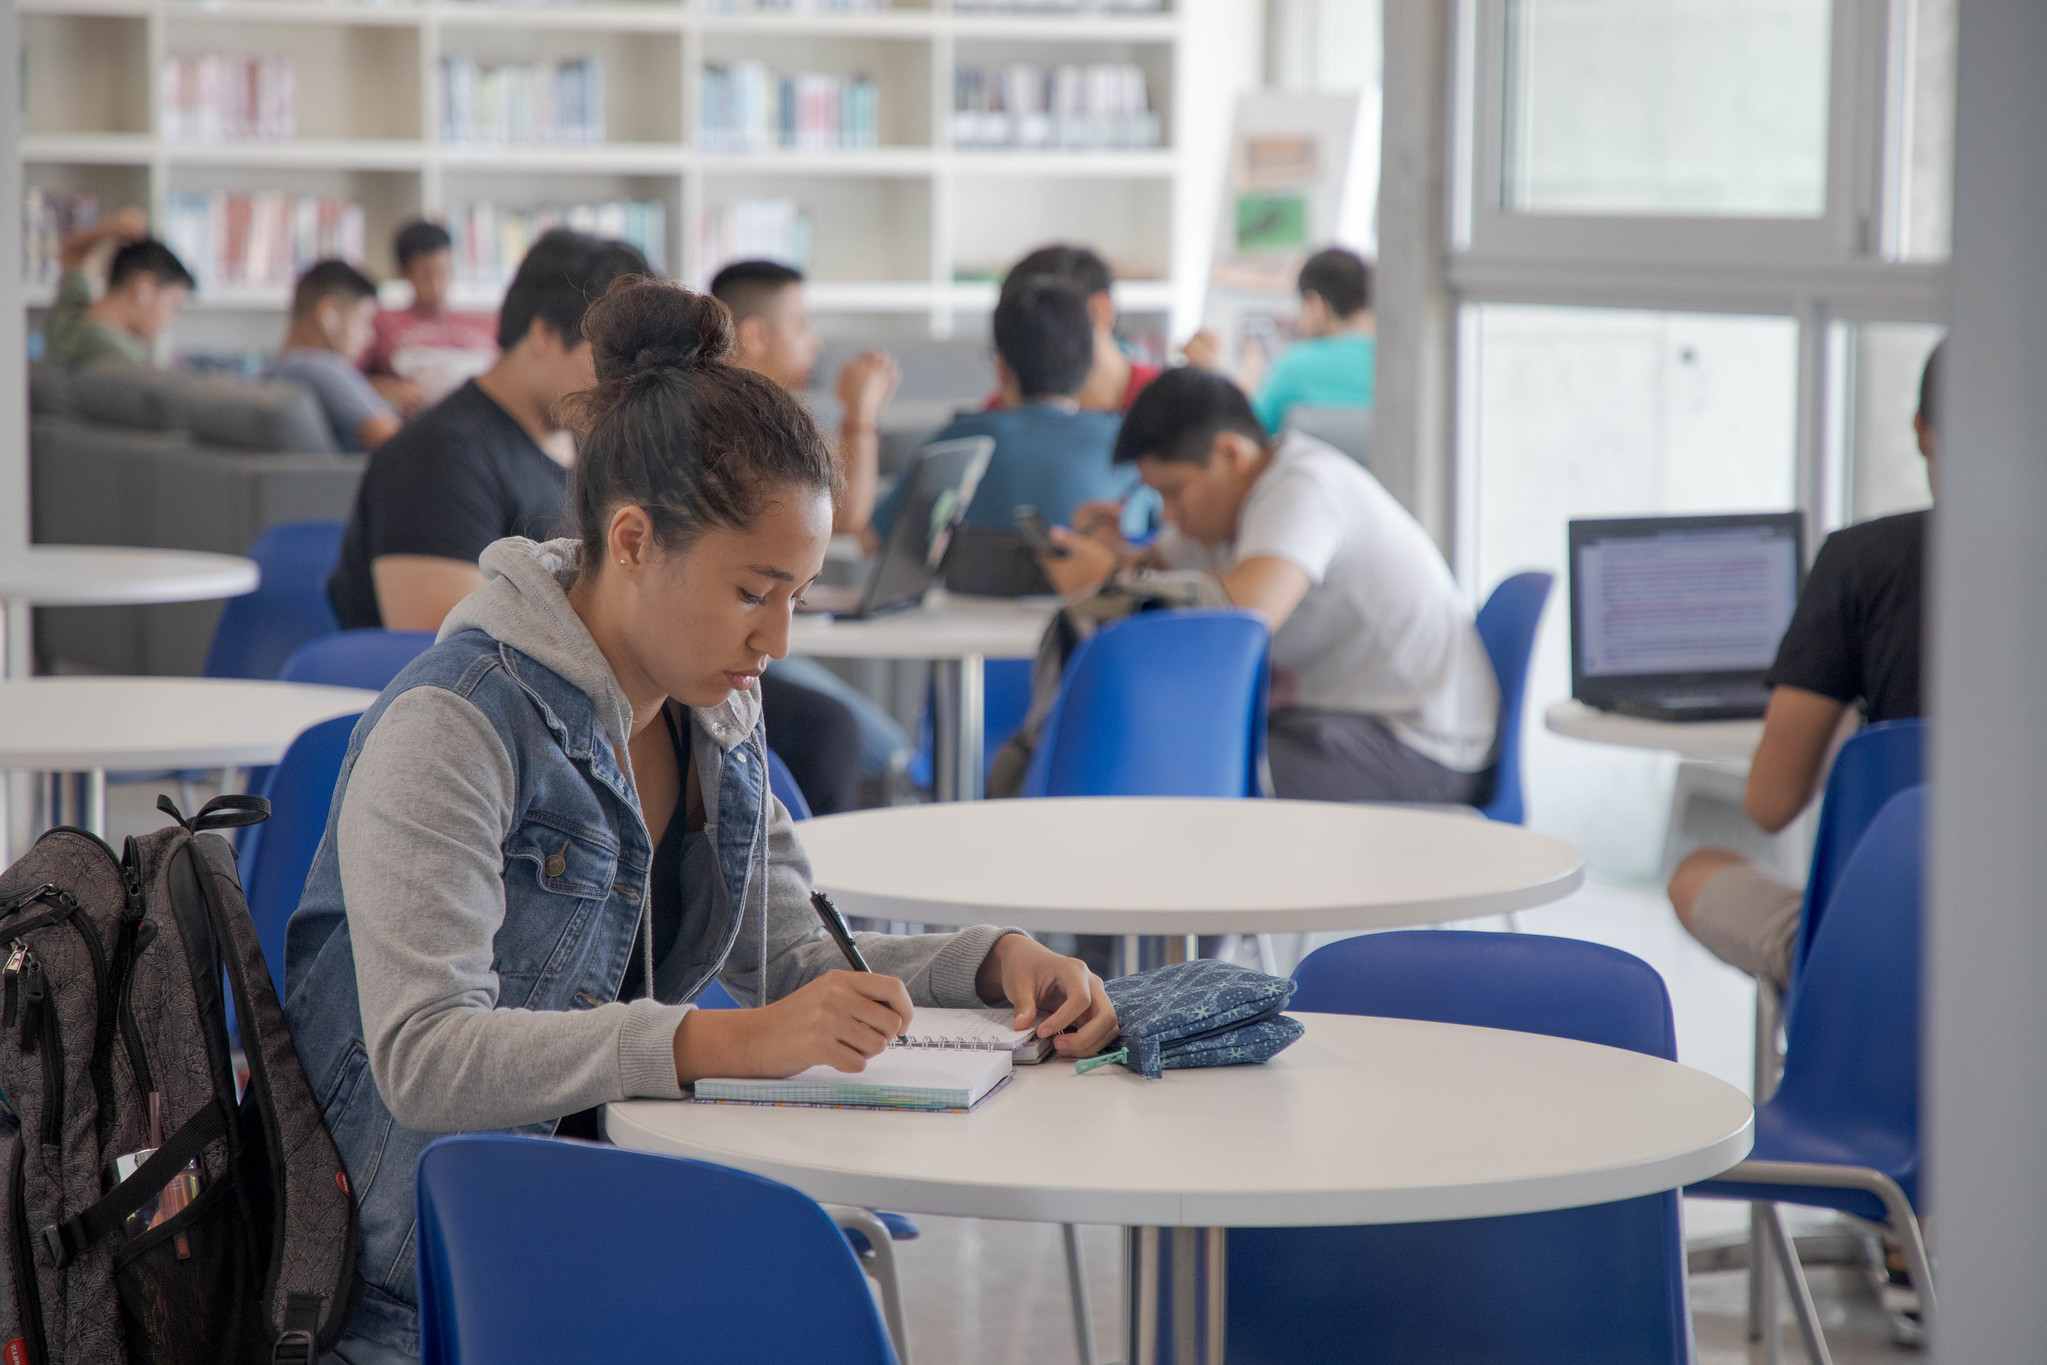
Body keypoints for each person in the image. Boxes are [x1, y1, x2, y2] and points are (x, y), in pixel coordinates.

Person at [284, 274, 1118, 1364]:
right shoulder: (455, 723)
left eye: (798, 599)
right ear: (631, 540)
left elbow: (792, 954)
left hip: (606, 1200)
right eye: (752, 592)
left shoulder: (714, 706)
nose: (777, 639)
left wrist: (991, 960)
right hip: (420, 1283)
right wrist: (720, 1040)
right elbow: (427, 1058)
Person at [1039, 365, 1499, 804]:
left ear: (1231, 454)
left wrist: (1111, 582)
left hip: (1420, 743)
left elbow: (1244, 617)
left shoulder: (1303, 487)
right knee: (1163, 758)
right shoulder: (1227, 509)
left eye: (1175, 491)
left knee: (1179, 778)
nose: (1169, 514)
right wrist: (1108, 552)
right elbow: (1160, 566)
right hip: (1331, 724)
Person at [1667, 342, 1941, 994]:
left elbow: (1768, 804)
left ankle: (1828, 1031)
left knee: (1697, 868)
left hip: (1879, 952)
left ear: (1920, 430)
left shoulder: (1859, 561)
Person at [326, 228, 647, 633]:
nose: (628, 381)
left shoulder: (589, 443)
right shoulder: (434, 458)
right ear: (545, 333)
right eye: (612, 358)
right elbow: (445, 649)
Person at [711, 258, 910, 804]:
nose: (816, 343)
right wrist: (860, 416)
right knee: (865, 740)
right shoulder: (725, 425)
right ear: (753, 336)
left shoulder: (773, 419)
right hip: (731, 643)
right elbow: (847, 520)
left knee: (881, 744)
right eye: (801, 325)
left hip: (762, 633)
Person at [869, 275, 1139, 543]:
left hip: (971, 585)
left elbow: (872, 539)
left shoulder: (962, 439)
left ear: (1002, 367)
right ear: (1087, 365)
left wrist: (862, 415)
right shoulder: (1127, 442)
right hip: (1091, 584)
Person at [1184, 246, 1376, 435]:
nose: (1300, 324)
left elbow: (1248, 439)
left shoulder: (1298, 367)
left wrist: (1239, 380)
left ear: (1314, 305)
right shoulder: (1398, 366)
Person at [990, 243, 1159, 414]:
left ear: (1100, 310)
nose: (1034, 345)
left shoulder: (1168, 406)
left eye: (1050, 320)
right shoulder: (999, 413)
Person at [361, 219, 499, 417]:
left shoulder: (487, 321)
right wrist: (388, 389)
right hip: (417, 423)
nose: (436, 286)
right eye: (426, 275)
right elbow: (345, 380)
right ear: (404, 273)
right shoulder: (380, 321)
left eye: (443, 272)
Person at [265, 260, 401, 453]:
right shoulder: (320, 367)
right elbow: (399, 446)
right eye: (363, 320)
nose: (369, 336)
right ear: (329, 315)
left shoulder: (273, 370)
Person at [41, 206, 194, 370]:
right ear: (144, 288)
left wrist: (113, 227)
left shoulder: (68, 316)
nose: (171, 319)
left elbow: (72, 252)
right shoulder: (124, 362)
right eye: (173, 305)